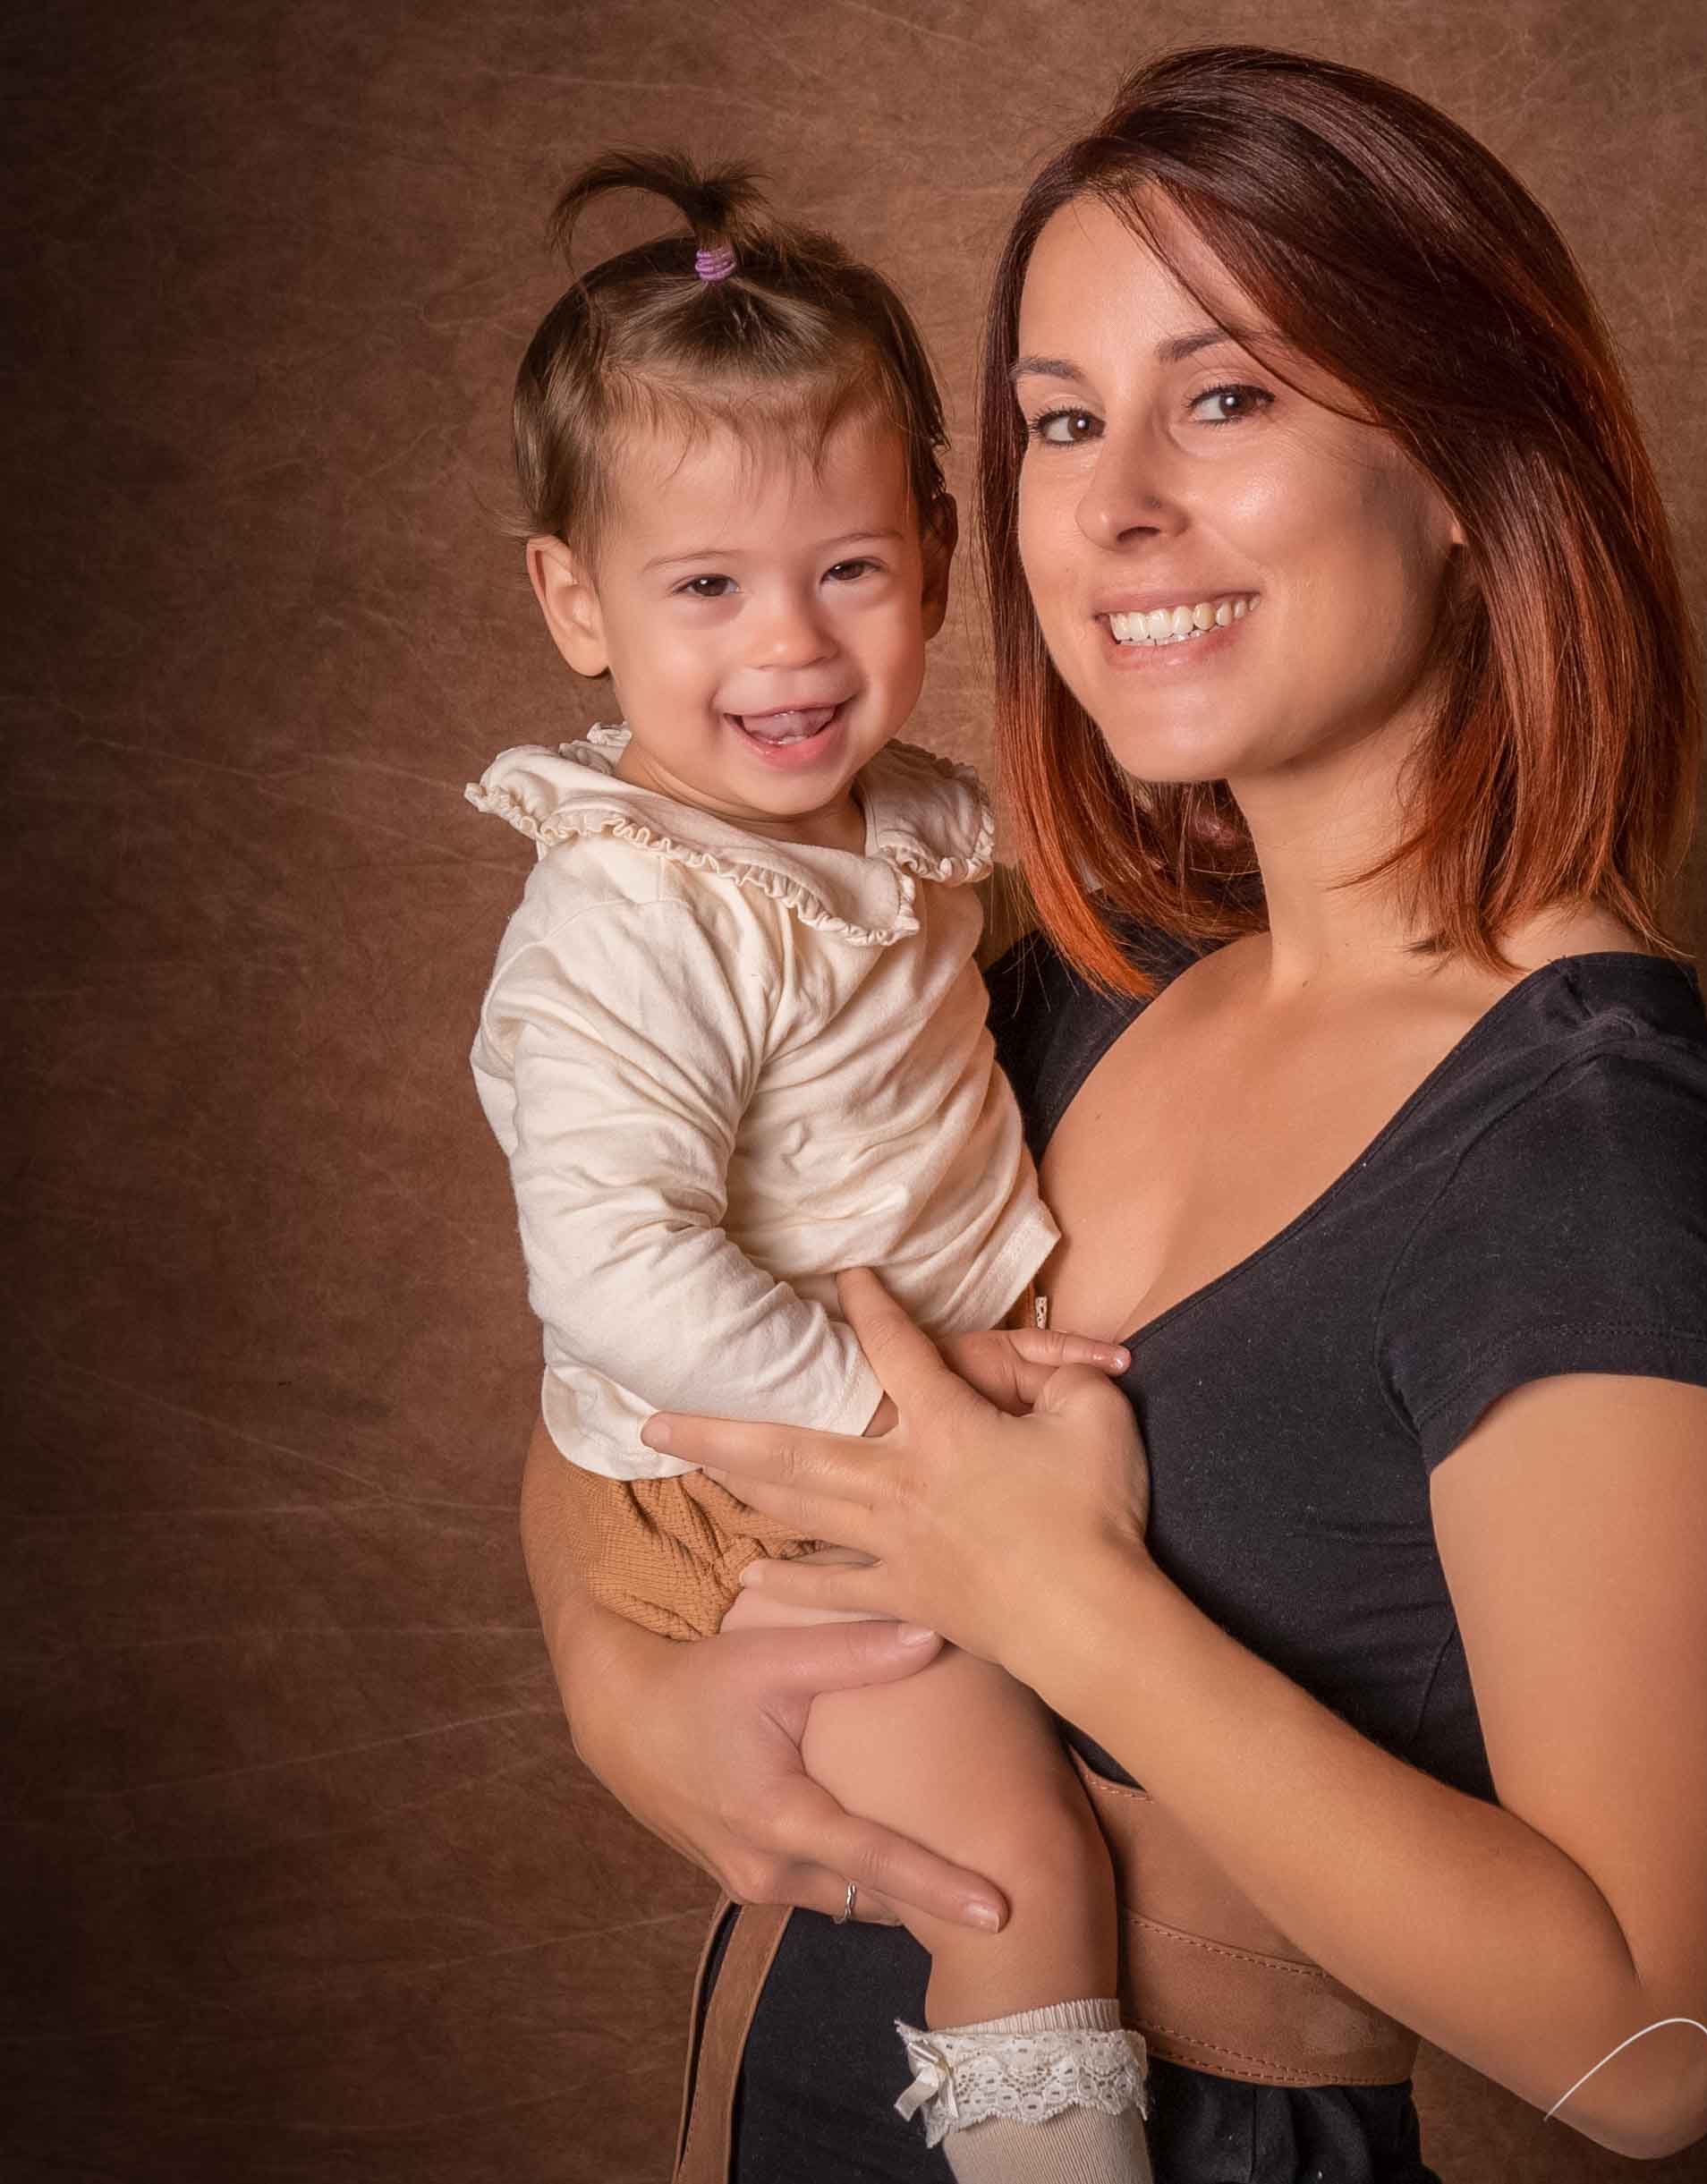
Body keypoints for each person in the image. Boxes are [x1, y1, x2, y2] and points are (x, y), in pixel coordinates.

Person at [516, 46, 1707, 2182]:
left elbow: (1655, 2046)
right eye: (1057, 420)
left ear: (1473, 464)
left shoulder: (1584, 1148)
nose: (1113, 506)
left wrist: (1056, 1595)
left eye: (1226, 399)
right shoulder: (1068, 970)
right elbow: (627, 1361)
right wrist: (618, 1688)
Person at [467, 149, 1160, 2180]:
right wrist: (906, 1412)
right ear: (572, 602)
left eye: (846, 569)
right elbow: (610, 1275)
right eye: (704, 587)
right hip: (751, 1464)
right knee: (1015, 1864)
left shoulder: (903, 823)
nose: (788, 647)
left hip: (869, 1405)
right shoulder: (631, 920)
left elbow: (933, 1035)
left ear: (938, 559)